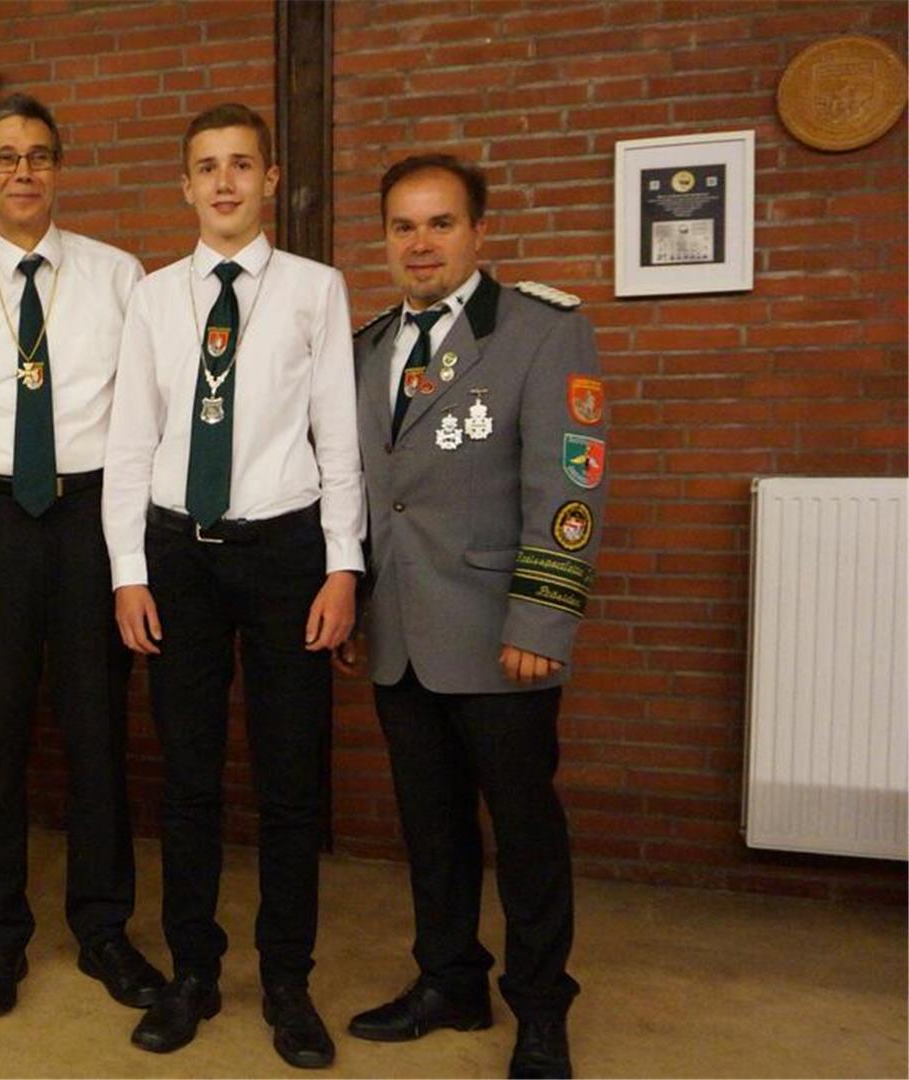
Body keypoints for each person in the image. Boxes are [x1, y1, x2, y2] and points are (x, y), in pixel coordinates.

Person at [101, 103, 362, 1065]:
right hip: (180, 556)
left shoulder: (314, 289)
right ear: (184, 184)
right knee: (188, 777)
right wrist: (129, 571)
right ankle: (194, 972)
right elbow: (132, 441)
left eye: (241, 165)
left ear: (269, 180)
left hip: (287, 553)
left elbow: (338, 436)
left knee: (292, 779)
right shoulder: (156, 296)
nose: (223, 183)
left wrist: (343, 565)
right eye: (206, 167)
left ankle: (287, 981)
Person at [337, 154, 605, 1080]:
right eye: (403, 227)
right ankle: (449, 980)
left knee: (524, 831)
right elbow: (372, 497)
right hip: (403, 637)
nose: (420, 244)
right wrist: (355, 600)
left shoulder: (539, 331)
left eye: (440, 224)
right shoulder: (369, 346)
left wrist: (542, 621)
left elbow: (568, 487)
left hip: (502, 637)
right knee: (432, 826)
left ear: (478, 233)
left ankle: (540, 1008)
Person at [0, 92, 164, 1020]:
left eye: (39, 156)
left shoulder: (119, 277)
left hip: (90, 517)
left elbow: (142, 415)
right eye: (4, 158)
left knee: (97, 732)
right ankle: (1, 937)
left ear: (59, 169)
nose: (22, 172)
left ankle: (104, 930)